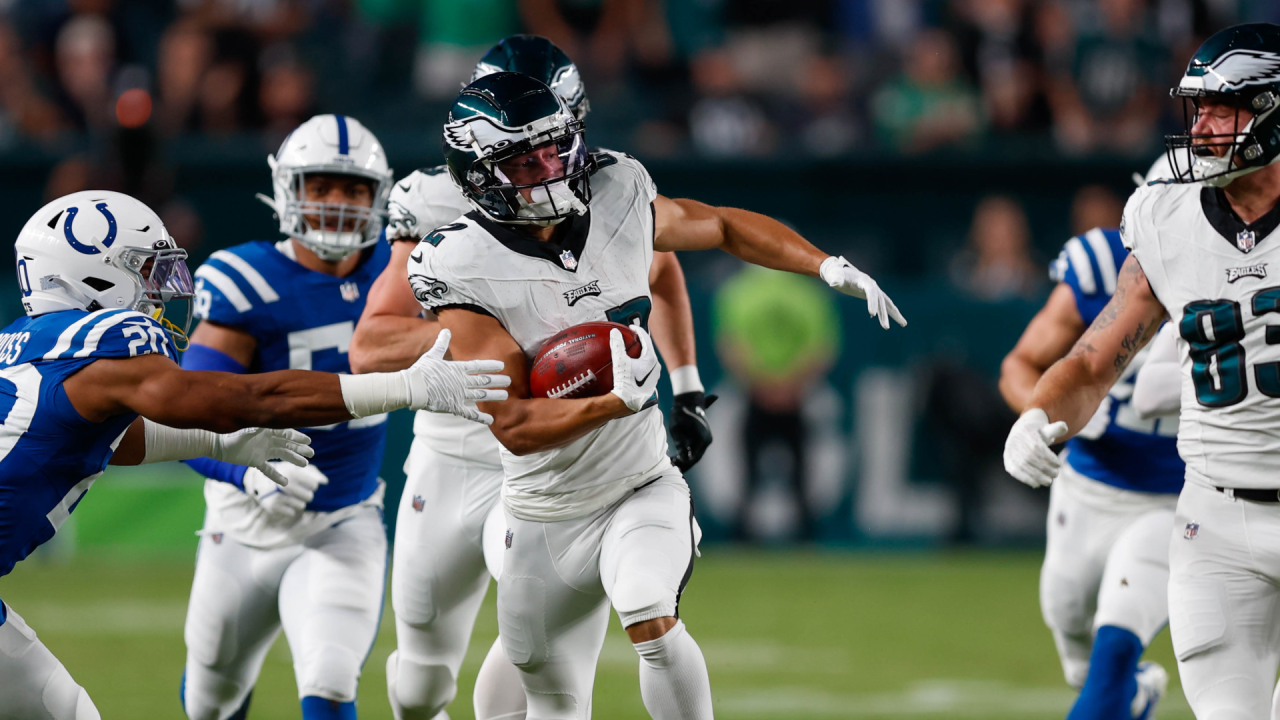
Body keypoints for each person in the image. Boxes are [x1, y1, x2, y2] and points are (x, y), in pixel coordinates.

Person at [415, 71, 904, 720]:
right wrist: (609, 401)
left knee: (649, 611)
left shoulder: (616, 190)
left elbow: (723, 226)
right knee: (544, 691)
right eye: (527, 160)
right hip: (541, 509)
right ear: (480, 174)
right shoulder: (458, 263)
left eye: (557, 149)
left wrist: (823, 265)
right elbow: (514, 425)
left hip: (639, 481)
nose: (552, 168)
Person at [0, 190, 509, 720]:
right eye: (143, 268)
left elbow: (109, 441)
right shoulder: (103, 342)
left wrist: (217, 444)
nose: (159, 289)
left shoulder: (23, 345)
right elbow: (248, 399)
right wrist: (405, 387)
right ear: (92, 275)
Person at [349, 35, 711, 720]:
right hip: (462, 451)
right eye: (522, 146)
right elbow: (371, 347)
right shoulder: (433, 203)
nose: (547, 161)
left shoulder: (603, 191)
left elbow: (661, 273)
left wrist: (686, 386)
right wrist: (506, 337)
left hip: (565, 468)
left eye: (558, 135)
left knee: (541, 652)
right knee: (422, 683)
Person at [1003, 23, 1280, 719]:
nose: (1205, 127)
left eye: (1225, 109)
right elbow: (1094, 359)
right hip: (1214, 521)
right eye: (1200, 109)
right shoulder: (1168, 217)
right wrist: (1041, 413)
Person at [175, 114, 405, 720]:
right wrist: (246, 472)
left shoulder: (405, 274)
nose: (336, 202)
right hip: (243, 523)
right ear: (288, 191)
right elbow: (181, 415)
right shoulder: (247, 279)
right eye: (321, 185)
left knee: (330, 681)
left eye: (353, 188)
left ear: (379, 196)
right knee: (210, 698)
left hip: (343, 521)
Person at [999, 219, 1182, 720]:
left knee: (1116, 646)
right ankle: (1135, 695)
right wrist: (1038, 421)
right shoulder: (1104, 262)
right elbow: (1020, 365)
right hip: (1088, 489)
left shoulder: (1240, 268)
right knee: (1077, 648)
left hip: (1178, 497)